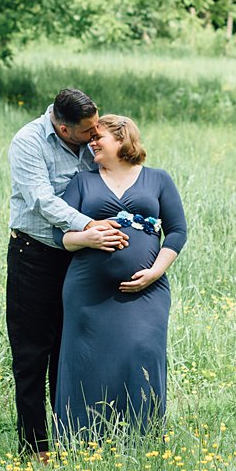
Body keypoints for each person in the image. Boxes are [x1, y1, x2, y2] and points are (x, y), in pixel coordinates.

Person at [7, 89, 128, 457]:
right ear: (63, 129)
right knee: (32, 354)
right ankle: (35, 446)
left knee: (71, 349)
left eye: (97, 128)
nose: (95, 136)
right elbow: (41, 201)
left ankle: (70, 437)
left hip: (80, 259)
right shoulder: (28, 143)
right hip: (36, 256)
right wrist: (90, 225)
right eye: (88, 132)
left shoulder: (90, 141)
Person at [53, 115, 186, 440]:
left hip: (146, 292)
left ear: (122, 138)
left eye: (99, 137)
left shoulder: (158, 179)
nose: (91, 142)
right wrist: (88, 238)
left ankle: (141, 439)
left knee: (142, 353)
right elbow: (61, 237)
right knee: (87, 362)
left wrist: (156, 271)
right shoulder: (82, 182)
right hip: (88, 293)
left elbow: (178, 231)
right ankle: (82, 439)